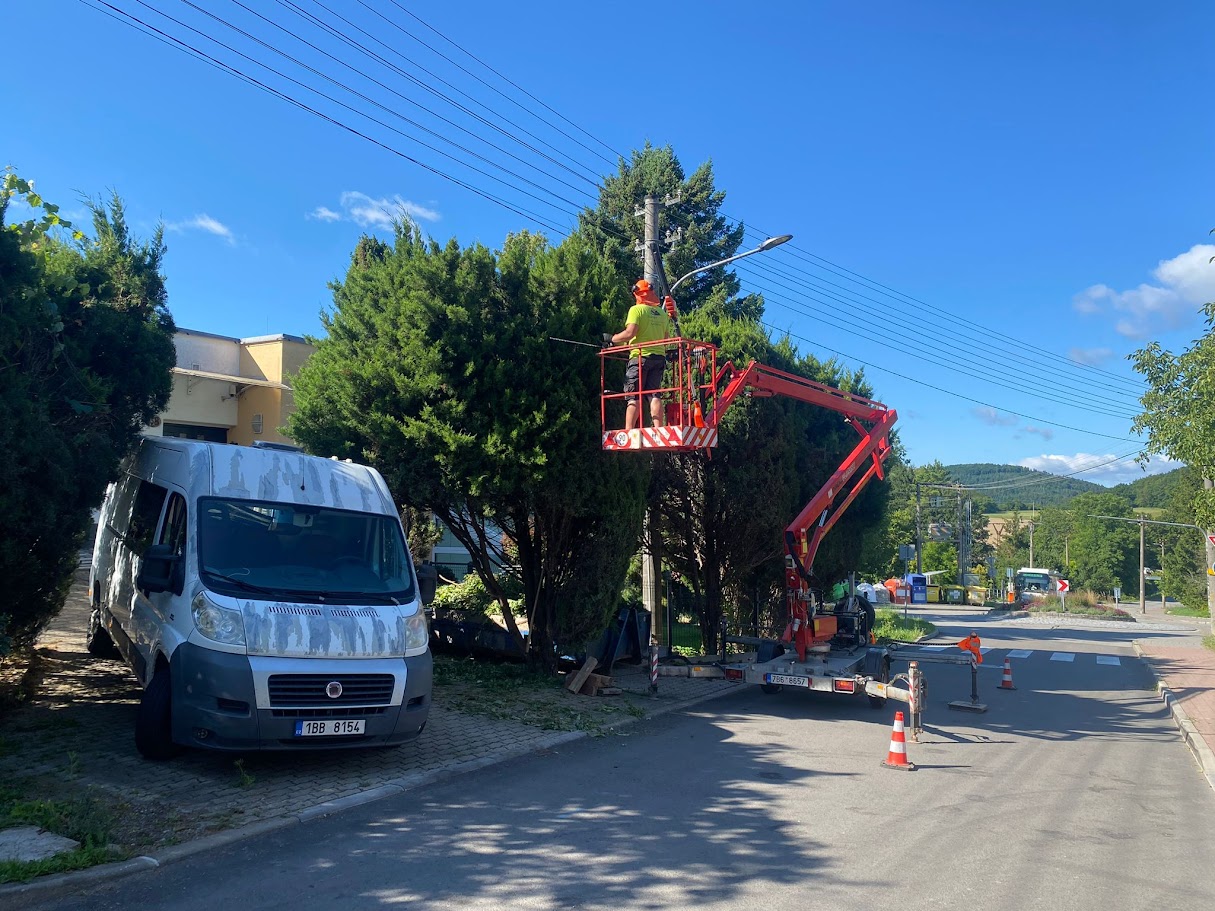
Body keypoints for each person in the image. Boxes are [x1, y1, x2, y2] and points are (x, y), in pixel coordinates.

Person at [608, 278, 676, 430]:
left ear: (637, 294)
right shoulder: (662, 313)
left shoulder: (636, 310)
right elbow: (665, 339)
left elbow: (630, 333)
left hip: (640, 357)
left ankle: (629, 431)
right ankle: (658, 429)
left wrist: (612, 339)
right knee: (654, 394)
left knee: (634, 396)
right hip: (659, 357)